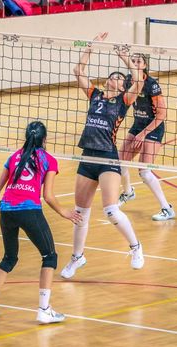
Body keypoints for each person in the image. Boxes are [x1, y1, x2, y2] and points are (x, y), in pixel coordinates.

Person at [59, 32, 145, 280]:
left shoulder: (123, 101)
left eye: (119, 77)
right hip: (88, 157)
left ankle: (135, 247)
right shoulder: (95, 95)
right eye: (113, 75)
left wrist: (125, 59)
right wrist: (91, 46)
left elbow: (139, 82)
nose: (114, 78)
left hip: (107, 157)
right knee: (80, 213)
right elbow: (78, 71)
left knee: (111, 210)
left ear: (123, 86)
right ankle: (77, 257)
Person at [0, 121, 81, 323]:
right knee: (49, 256)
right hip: (29, 210)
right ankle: (44, 310)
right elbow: (48, 196)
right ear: (45, 139)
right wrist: (64, 212)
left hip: (7, 210)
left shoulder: (14, 157)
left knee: (9, 258)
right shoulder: (49, 160)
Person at [117, 53, 175, 221]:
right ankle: (128, 192)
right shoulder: (129, 80)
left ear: (144, 65)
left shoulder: (152, 85)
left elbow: (162, 114)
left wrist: (143, 134)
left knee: (144, 171)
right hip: (138, 124)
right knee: (119, 162)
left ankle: (167, 208)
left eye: (139, 61)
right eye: (133, 61)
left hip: (153, 128)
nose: (135, 63)